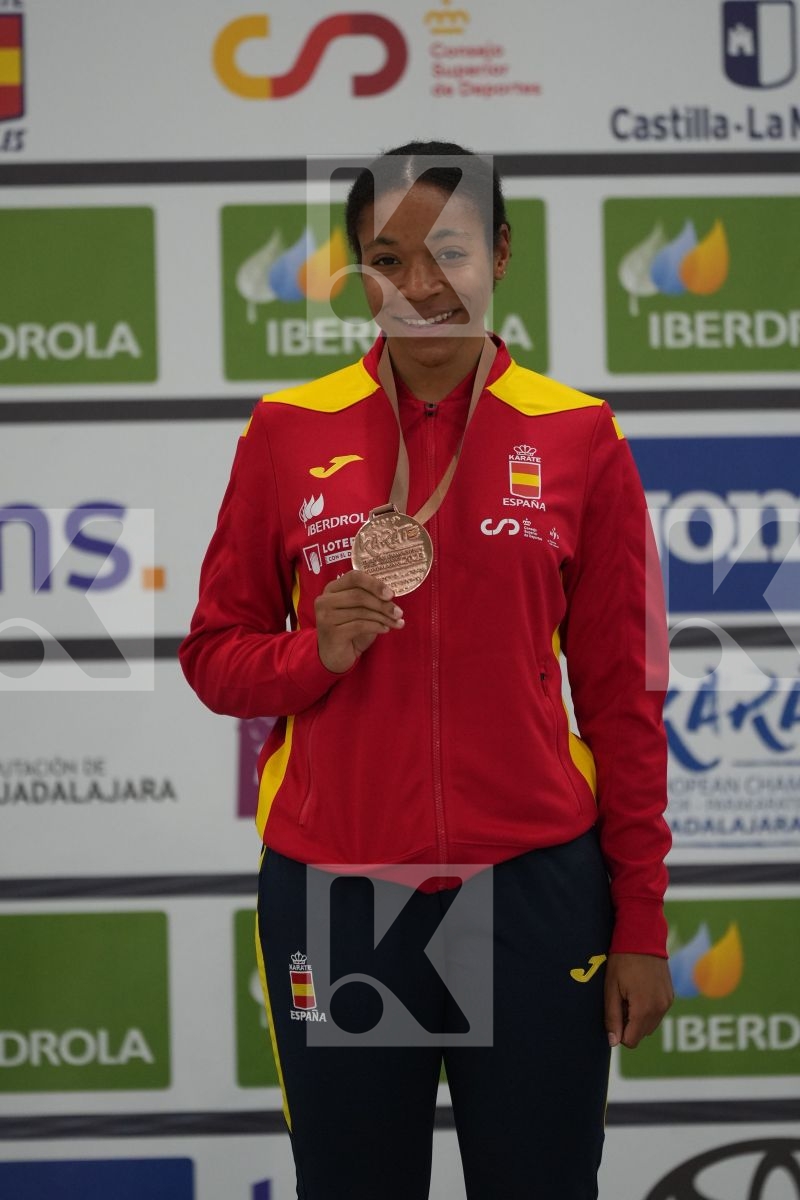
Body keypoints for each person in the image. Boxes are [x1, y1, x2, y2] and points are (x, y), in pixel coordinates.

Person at [180, 141, 674, 1199]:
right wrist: (314, 652)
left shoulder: (579, 437)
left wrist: (638, 919)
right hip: (342, 891)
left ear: (498, 252)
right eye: (386, 258)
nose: (419, 287)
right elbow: (216, 658)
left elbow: (625, 700)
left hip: (535, 891)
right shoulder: (286, 431)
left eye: (446, 252)